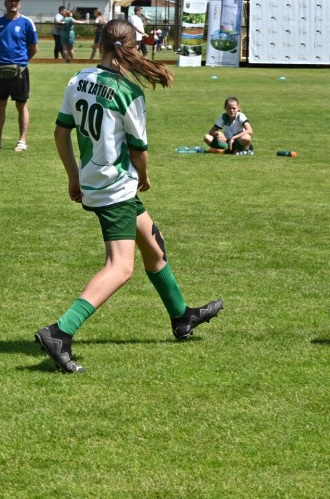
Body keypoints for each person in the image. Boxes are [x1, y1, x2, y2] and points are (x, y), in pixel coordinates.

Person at [34, 19, 223, 373]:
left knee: (153, 244)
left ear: (101, 44)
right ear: (132, 48)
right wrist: (145, 177)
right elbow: (139, 151)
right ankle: (60, 332)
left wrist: (74, 177)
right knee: (120, 267)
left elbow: (61, 133)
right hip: (115, 187)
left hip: (94, 182)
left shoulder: (78, 80)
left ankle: (182, 316)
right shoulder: (128, 93)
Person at [0, 0, 38, 153]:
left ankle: (22, 141)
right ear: (5, 2)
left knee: (21, 105)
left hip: (20, 70)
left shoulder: (27, 23)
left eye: (16, 0)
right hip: (0, 70)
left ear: (19, 3)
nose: (13, 3)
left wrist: (21, 62)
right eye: (10, 0)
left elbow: (33, 48)